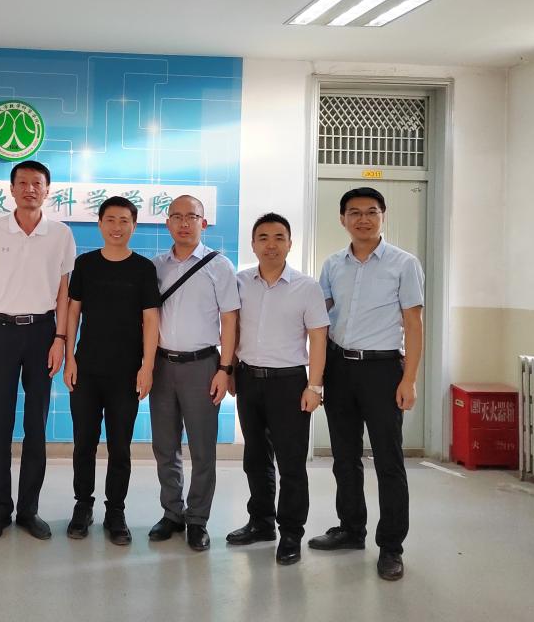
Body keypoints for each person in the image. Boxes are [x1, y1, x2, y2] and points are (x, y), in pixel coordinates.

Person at [309, 187, 424, 581]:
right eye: (354, 212)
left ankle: (391, 546)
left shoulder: (404, 264)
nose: (363, 219)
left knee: (389, 461)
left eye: (371, 211)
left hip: (382, 370)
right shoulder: (332, 265)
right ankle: (351, 528)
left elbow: (413, 324)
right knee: (344, 457)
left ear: (382, 216)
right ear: (342, 219)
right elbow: (319, 318)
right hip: (340, 368)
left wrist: (409, 379)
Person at [0, 160, 76, 541]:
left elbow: (65, 292)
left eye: (37, 183)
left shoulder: (60, 234)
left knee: (36, 425)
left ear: (47, 190)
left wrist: (60, 339)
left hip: (42, 333)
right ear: (11, 189)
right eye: (23, 182)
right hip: (0, 332)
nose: (30, 189)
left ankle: (29, 510)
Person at [225, 213, 329, 566]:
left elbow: (318, 338)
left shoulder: (306, 287)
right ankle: (261, 522)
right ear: (253, 244)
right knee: (255, 457)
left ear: (289, 243)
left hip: (289, 383)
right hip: (249, 379)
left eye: (279, 237)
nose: (271, 245)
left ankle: (291, 533)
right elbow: (233, 330)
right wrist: (230, 370)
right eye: (264, 238)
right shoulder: (240, 282)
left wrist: (315, 386)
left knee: (291, 462)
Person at [64, 196, 160, 546]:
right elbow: (73, 312)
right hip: (87, 370)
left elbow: (151, 320)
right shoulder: (85, 264)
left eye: (124, 221)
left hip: (126, 373)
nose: (117, 227)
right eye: (110, 220)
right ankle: (83, 505)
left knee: (120, 446)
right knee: (84, 444)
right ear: (100, 224)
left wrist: (147, 366)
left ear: (133, 225)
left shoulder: (143, 268)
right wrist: (69, 357)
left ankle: (115, 511)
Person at [148, 194, 239, 552]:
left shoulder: (219, 265)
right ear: (168, 223)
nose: (184, 223)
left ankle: (197, 519)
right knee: (164, 446)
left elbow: (230, 320)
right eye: (177, 217)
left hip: (203, 366)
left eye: (192, 216)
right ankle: (172, 513)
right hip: (162, 365)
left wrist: (224, 368)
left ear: (204, 222)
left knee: (202, 448)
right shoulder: (156, 266)